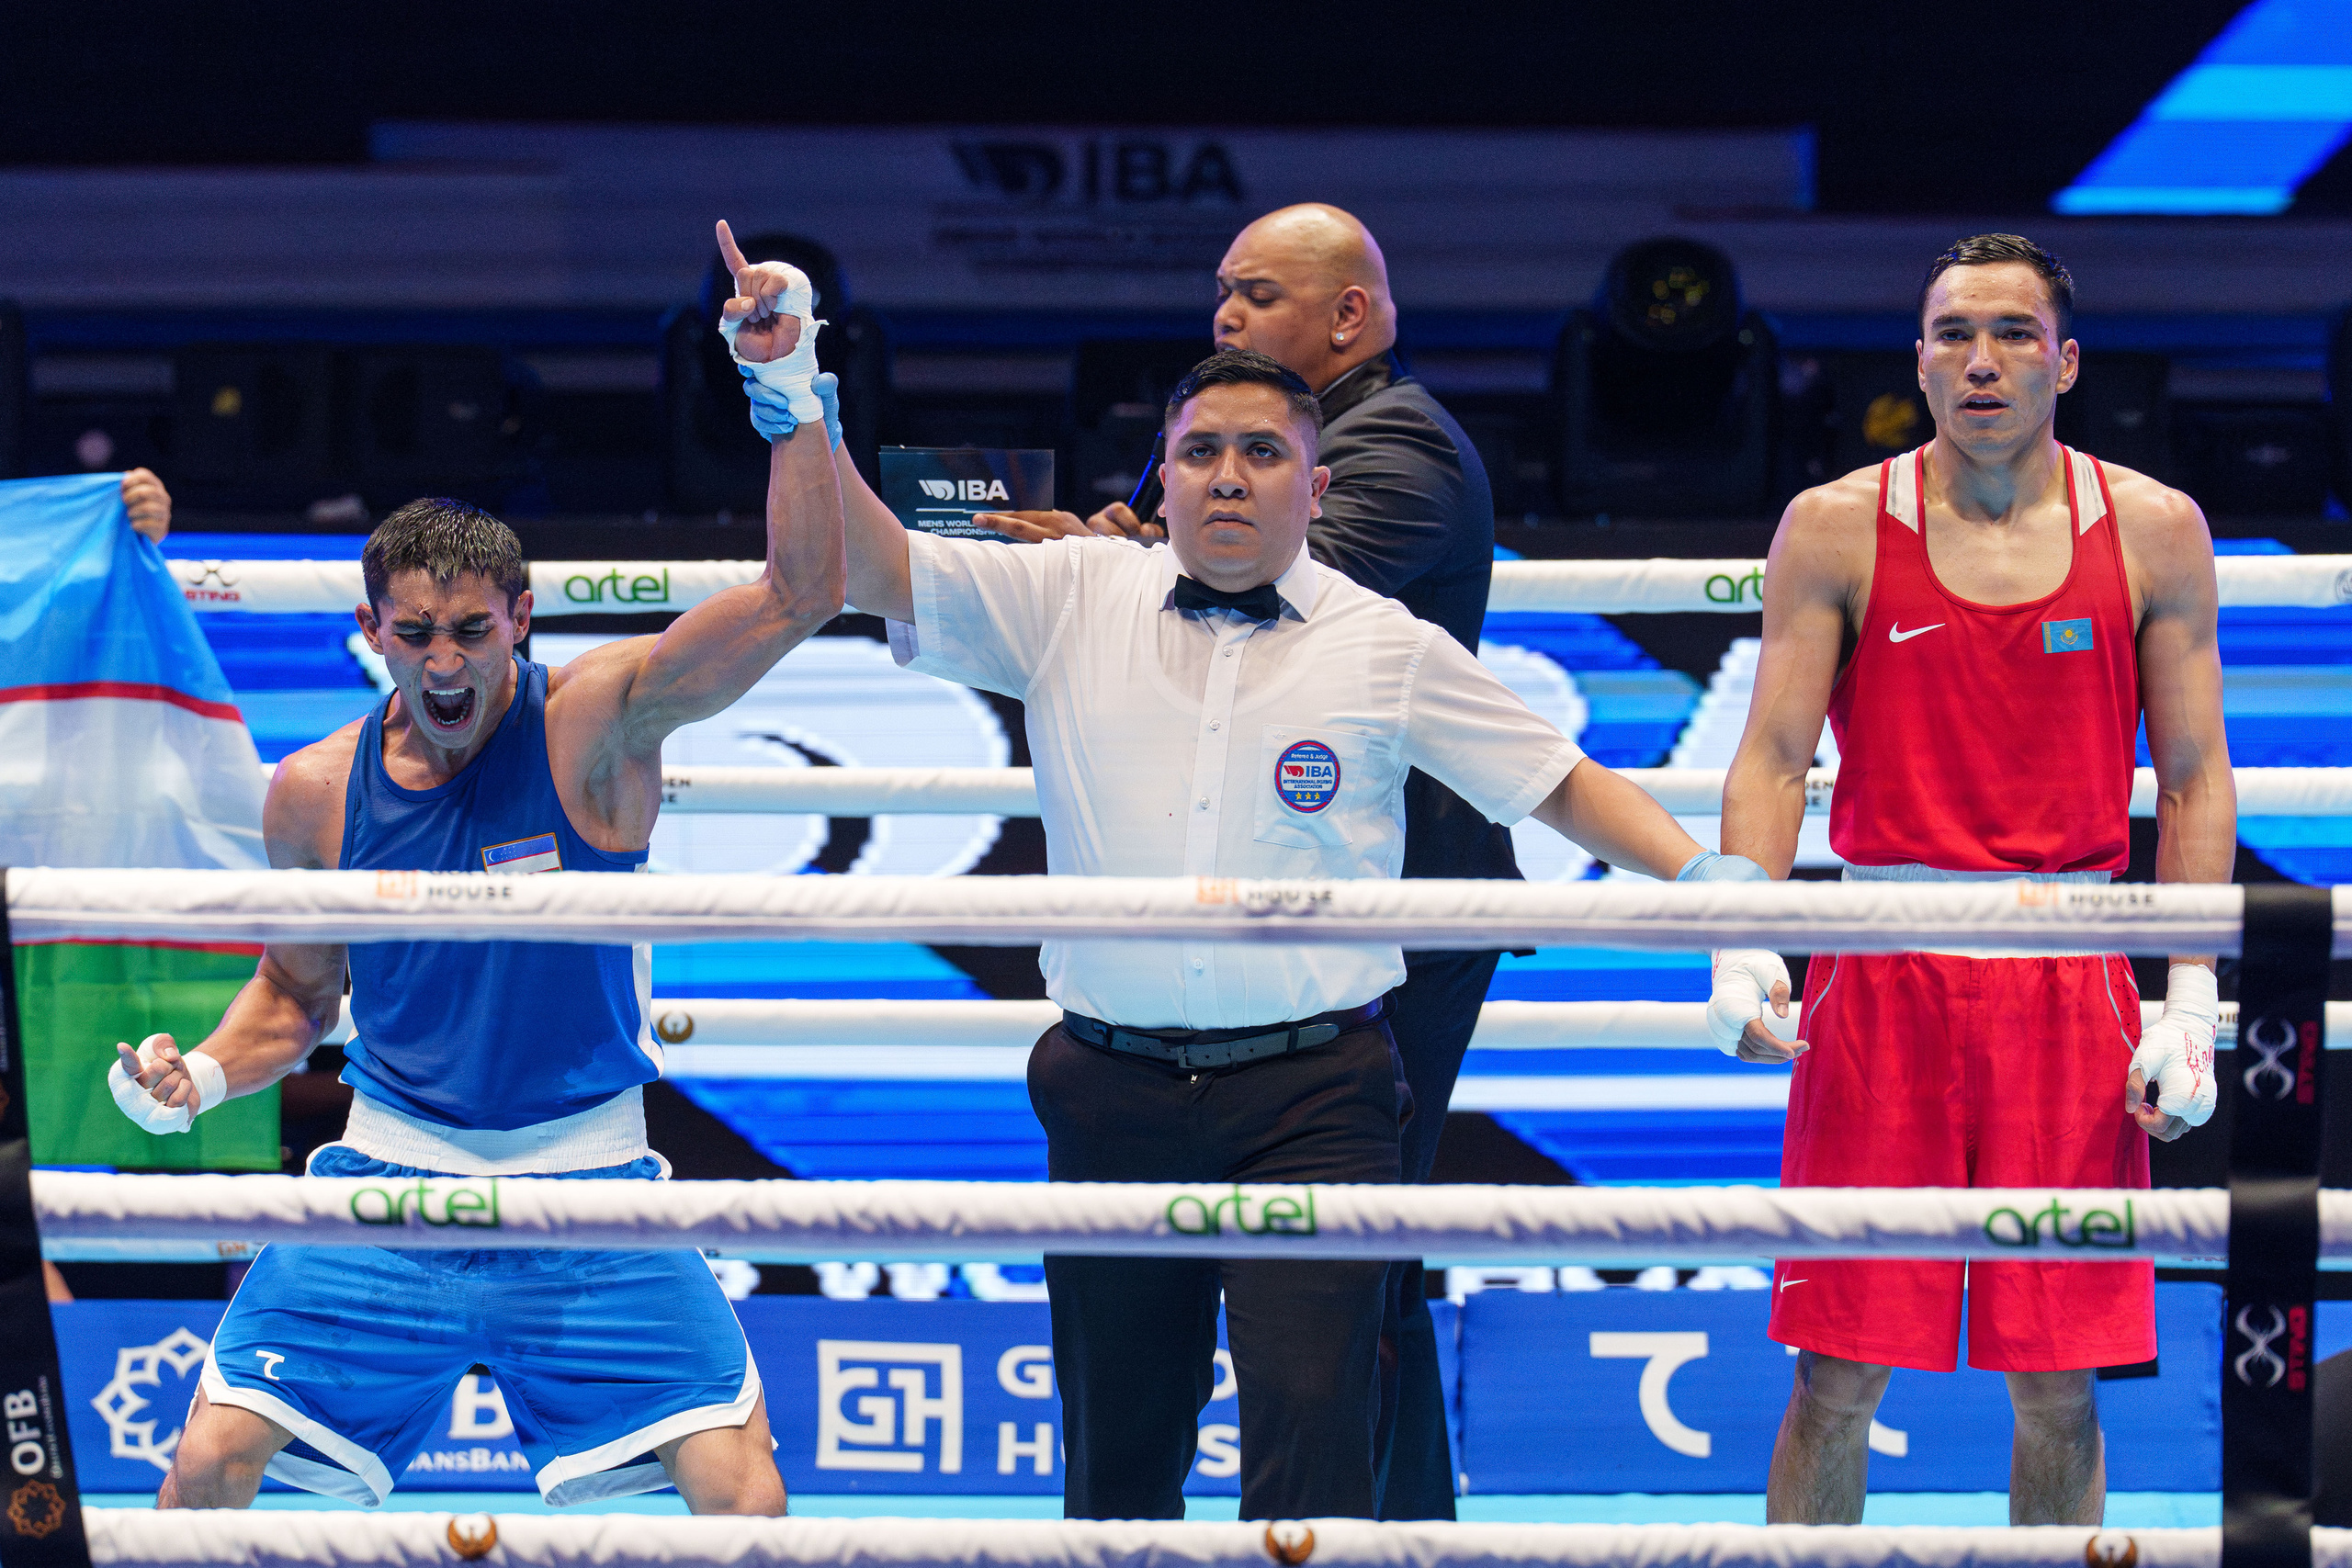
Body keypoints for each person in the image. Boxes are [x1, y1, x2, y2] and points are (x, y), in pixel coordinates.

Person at [730, 231, 1714, 1513]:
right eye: (1201, 452)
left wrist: (1722, 899)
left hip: (1320, 1096)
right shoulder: (1073, 591)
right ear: (1166, 476)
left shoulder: (1379, 641)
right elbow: (860, 563)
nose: (1230, 478)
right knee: (1118, 1472)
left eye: (1263, 455)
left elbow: (1569, 785)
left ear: (1317, 486)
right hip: (1109, 1089)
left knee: (1314, 1461)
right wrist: (796, 389)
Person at [107, 231, 846, 1513]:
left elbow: (802, 593)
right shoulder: (315, 790)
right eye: (415, 634)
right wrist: (198, 1078)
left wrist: (790, 393)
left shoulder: (600, 723)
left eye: (469, 631)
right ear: (370, 633)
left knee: (746, 1505)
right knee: (207, 1472)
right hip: (387, 1180)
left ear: (518, 621)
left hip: (590, 1188)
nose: (443, 663)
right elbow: (297, 995)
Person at [972, 201, 1508, 1519]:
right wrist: (1109, 555)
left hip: (1380, 921)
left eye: (1258, 294)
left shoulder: (1398, 449)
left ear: (1349, 315)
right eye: (1221, 290)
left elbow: (1272, 588)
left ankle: (1389, 1542)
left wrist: (1105, 554)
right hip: (1293, 906)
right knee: (1339, 1273)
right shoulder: (1254, 437)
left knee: (1357, 1271)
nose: (1225, 314)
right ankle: (1365, 1537)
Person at [1716, 233, 2233, 1525]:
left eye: (2011, 333)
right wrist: (1739, 940)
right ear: (1920, 361)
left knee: (2058, 1382)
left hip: (2069, 975)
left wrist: (2188, 1004)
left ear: (2065, 360)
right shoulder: (1835, 524)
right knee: (1837, 1370)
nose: (1981, 359)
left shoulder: (2155, 529)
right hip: (1884, 966)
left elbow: (2194, 776)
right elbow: (1775, 757)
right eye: (1953, 333)